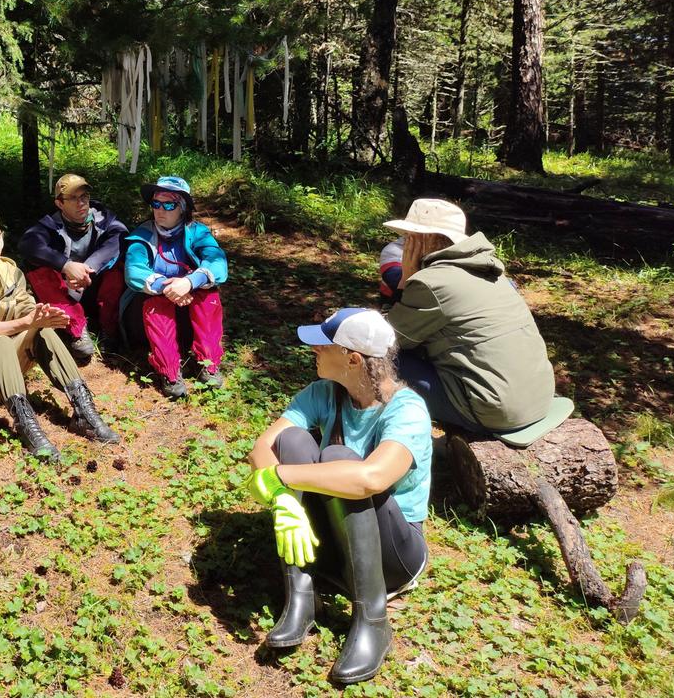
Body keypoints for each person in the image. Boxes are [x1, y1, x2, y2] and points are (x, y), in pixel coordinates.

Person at [246, 308, 432, 685]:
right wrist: (283, 500)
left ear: (352, 359)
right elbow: (263, 446)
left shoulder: (407, 410)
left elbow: (370, 478)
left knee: (339, 457)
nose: (313, 349)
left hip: (393, 556)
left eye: (322, 344)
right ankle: (301, 596)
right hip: (334, 541)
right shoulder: (324, 393)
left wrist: (279, 477)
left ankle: (373, 620)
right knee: (293, 440)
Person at [0, 210, 120, 461]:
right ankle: (27, 426)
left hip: (1, 361)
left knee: (41, 330)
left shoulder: (10, 272)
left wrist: (41, 316)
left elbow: (25, 307)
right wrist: (25, 321)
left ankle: (85, 412)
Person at [382, 198, 554, 434]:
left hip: (495, 412)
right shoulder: (492, 272)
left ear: (426, 239)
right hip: (539, 400)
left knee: (370, 358)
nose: (405, 243)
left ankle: (369, 441)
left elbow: (387, 339)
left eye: (409, 236)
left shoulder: (431, 282)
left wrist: (405, 280)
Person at [120, 175, 228, 399]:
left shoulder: (197, 232)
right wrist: (168, 288)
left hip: (188, 315)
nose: (160, 210)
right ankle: (168, 371)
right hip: (146, 317)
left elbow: (218, 263)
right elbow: (134, 271)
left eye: (168, 204)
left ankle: (207, 362)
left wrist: (189, 282)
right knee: (158, 300)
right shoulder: (142, 235)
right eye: (155, 204)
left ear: (182, 208)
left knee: (208, 293)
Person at [18, 173, 129, 365]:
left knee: (117, 267)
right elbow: (27, 245)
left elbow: (120, 237)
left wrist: (87, 268)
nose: (82, 203)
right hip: (65, 292)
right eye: (74, 198)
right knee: (37, 270)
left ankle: (109, 330)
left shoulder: (103, 218)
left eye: (84, 197)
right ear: (60, 204)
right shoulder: (50, 225)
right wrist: (66, 266)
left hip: (94, 287)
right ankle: (76, 329)